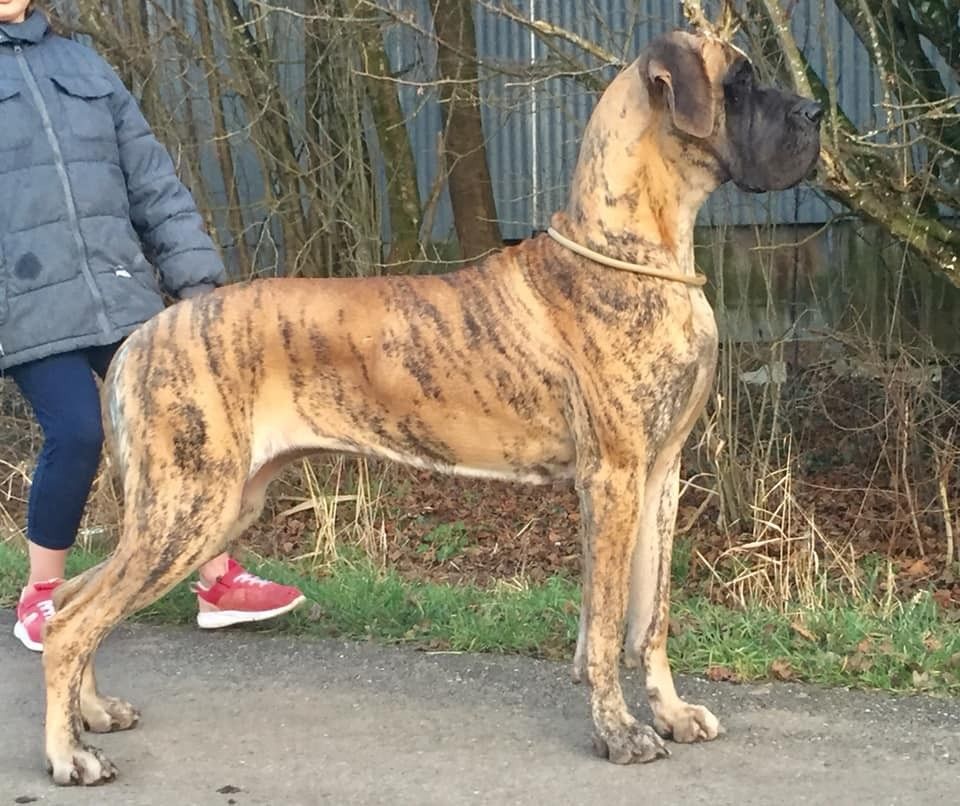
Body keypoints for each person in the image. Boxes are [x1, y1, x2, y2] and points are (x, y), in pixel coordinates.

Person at [0, 3, 305, 651]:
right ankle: (42, 593)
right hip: (24, 299)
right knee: (77, 432)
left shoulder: (84, 64)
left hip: (118, 289)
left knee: (183, 421)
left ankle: (217, 579)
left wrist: (197, 287)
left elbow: (152, 181)